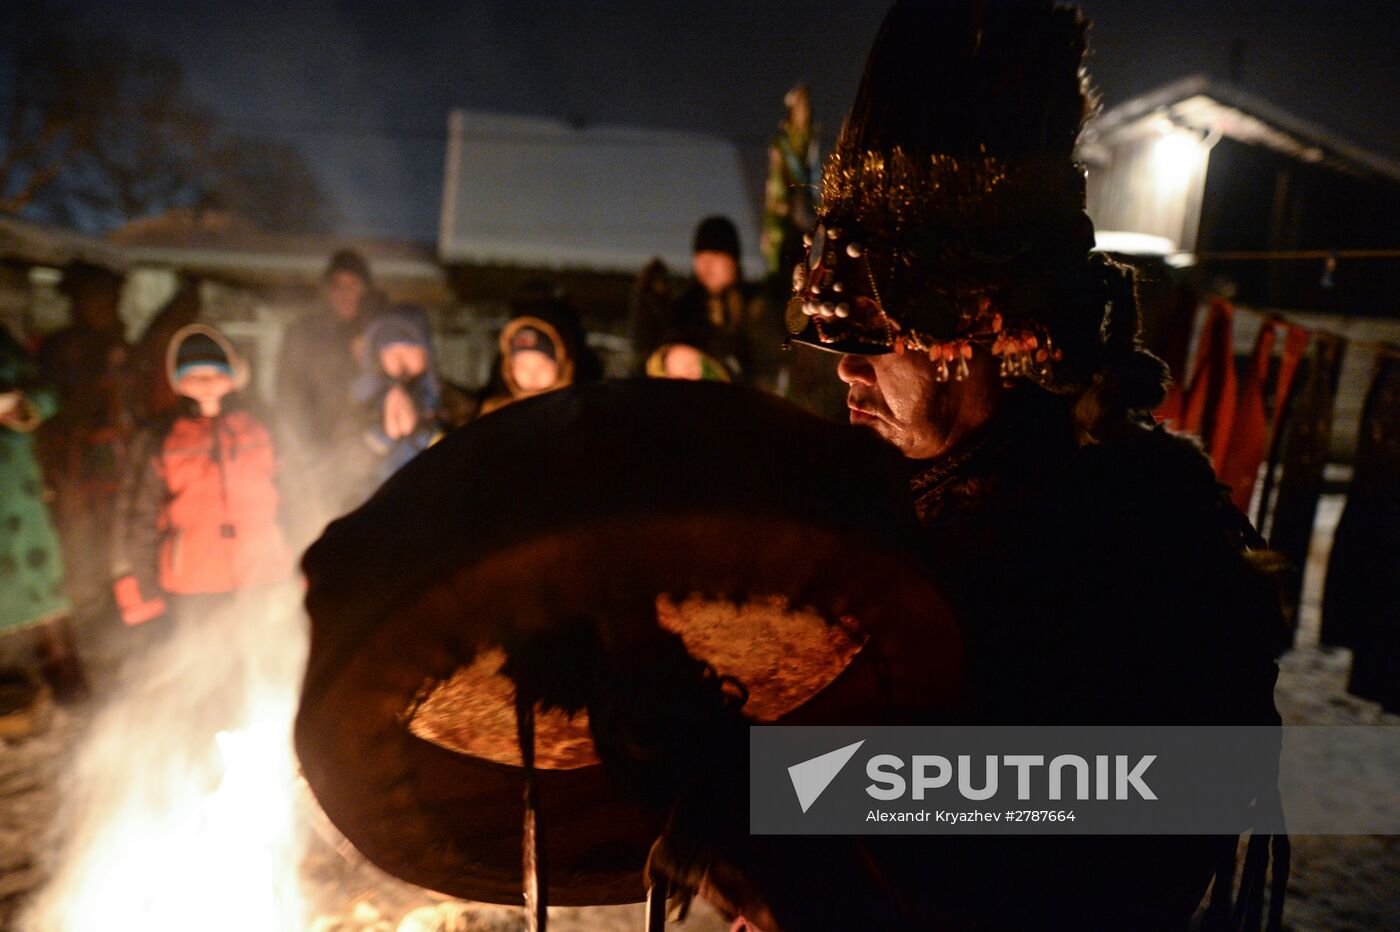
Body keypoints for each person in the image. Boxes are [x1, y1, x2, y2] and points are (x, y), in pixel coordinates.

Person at [655, 1, 1286, 928]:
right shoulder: (880, 500)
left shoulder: (1135, 532)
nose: (847, 367)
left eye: (876, 332)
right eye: (835, 334)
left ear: (984, 328)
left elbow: (1092, 834)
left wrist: (784, 834)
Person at [111, 325, 295, 629]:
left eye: (216, 374)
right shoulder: (161, 437)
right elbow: (136, 515)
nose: (207, 384)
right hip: (194, 583)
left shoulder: (261, 426)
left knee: (272, 661)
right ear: (178, 382)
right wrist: (138, 590)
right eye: (195, 377)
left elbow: (294, 496)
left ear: (234, 375)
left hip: (266, 573)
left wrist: (309, 565)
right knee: (206, 669)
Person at [36, 261, 132, 617]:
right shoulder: (63, 351)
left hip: (121, 469)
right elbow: (57, 416)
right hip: (79, 473)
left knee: (122, 553)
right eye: (95, 299)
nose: (104, 307)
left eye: (110, 299)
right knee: (85, 557)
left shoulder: (120, 347)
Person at [0, 324, 88, 702]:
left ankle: (63, 667)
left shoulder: (6, 348)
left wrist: (20, 405)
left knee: (42, 584)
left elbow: (47, 394)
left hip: (20, 492)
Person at [274, 249, 381, 534]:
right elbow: (288, 396)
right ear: (327, 290)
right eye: (338, 286)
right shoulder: (304, 333)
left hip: (368, 452)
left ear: (365, 290)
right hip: (318, 453)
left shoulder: (379, 332)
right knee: (319, 526)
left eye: (353, 286)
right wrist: (304, 450)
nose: (345, 293)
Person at [627, 217, 781, 388]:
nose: (706, 265)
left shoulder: (755, 305)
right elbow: (645, 351)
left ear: (733, 261)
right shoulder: (686, 306)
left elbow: (770, 366)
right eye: (700, 256)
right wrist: (644, 301)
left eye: (715, 255)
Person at [350, 308, 447, 491]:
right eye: (390, 351)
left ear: (425, 351)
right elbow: (346, 465)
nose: (400, 358)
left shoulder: (448, 400)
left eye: (408, 348)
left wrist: (424, 429)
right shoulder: (361, 401)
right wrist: (384, 435)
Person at [479, 288, 597, 417]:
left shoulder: (574, 413)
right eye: (522, 366)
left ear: (562, 364)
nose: (532, 374)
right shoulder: (494, 414)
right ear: (508, 367)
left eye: (542, 365)